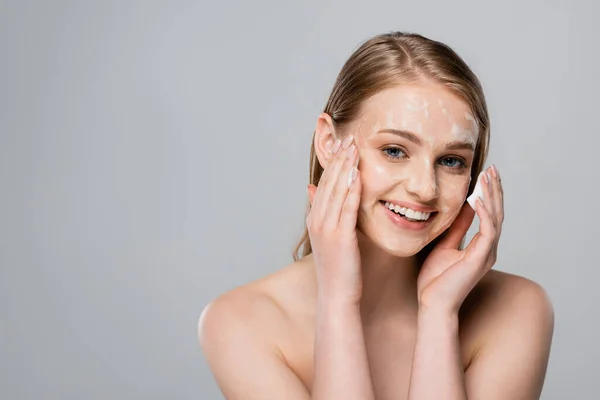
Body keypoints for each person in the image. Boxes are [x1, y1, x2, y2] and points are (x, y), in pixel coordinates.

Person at [198, 31, 554, 400]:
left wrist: (438, 315)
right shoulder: (239, 323)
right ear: (329, 143)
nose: (425, 188)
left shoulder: (517, 309)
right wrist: (338, 303)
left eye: (451, 161)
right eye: (395, 150)